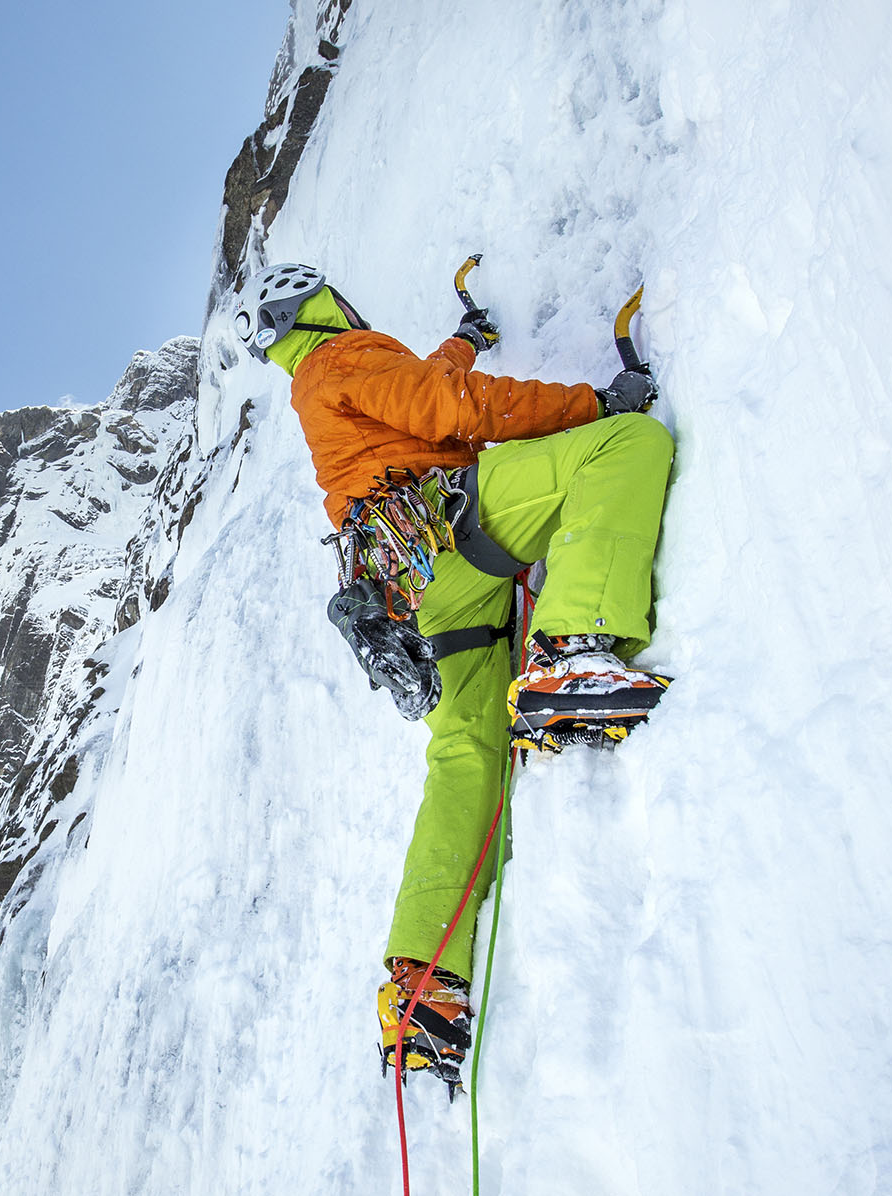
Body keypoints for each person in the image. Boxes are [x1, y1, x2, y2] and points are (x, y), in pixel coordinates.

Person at [234, 262, 674, 1090]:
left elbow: (421, 389)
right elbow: (449, 409)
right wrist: (593, 403)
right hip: (450, 527)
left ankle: (423, 990)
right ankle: (571, 648)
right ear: (319, 307)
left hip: (414, 594)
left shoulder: (322, 380)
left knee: (467, 754)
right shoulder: (344, 357)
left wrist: (463, 343)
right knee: (624, 448)